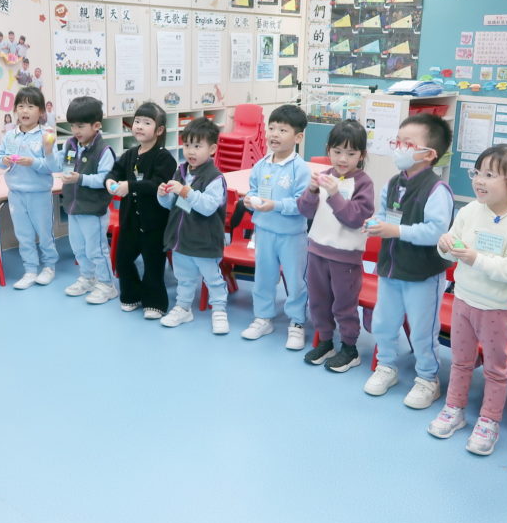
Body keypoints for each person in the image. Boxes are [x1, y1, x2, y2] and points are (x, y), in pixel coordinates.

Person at [431, 144, 507, 456]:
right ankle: (454, 408)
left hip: (496, 308)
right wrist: (445, 244)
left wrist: (476, 258)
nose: (479, 180)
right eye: (477, 172)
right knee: (461, 360)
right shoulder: (469, 211)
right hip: (463, 300)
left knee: (495, 368)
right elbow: (452, 249)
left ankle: (489, 420)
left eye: (490, 175)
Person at [363, 113, 454, 410]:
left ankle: (427, 378)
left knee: (422, 330)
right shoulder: (393, 182)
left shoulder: (437, 190)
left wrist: (396, 231)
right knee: (384, 322)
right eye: (398, 142)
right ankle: (386, 366)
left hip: (422, 274)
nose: (399, 148)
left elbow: (437, 232)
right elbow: (382, 215)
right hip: (391, 268)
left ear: (429, 154)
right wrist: (374, 223)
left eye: (408, 144)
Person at [297, 120, 375, 371]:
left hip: (346, 257)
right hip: (317, 250)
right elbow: (305, 211)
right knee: (318, 301)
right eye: (337, 151)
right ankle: (326, 342)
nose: (342, 158)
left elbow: (354, 218)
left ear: (361, 155)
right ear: (328, 150)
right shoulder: (324, 176)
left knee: (344, 305)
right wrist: (312, 190)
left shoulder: (363, 182)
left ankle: (350, 349)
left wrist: (334, 195)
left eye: (351, 153)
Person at [240, 104, 310, 350]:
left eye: (282, 130)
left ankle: (297, 322)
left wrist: (276, 205)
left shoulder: (300, 169)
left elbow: (302, 204)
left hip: (292, 235)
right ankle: (263, 317)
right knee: (263, 277)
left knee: (295, 280)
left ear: (298, 137)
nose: (274, 134)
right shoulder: (261, 165)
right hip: (264, 231)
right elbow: (253, 189)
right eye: (271, 128)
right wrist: (250, 199)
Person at [105, 102, 177, 319]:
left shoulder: (164, 157)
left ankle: (155, 302)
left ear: (159, 130)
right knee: (123, 260)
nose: (139, 126)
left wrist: (130, 186)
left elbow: (156, 184)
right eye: (137, 121)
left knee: (153, 264)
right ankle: (132, 295)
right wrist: (110, 181)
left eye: (146, 123)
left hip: (154, 223)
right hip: (129, 221)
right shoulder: (130, 154)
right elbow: (115, 171)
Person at [157, 117, 229, 334]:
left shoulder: (215, 178)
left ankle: (219, 310)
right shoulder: (181, 171)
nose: (191, 151)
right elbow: (172, 205)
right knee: (184, 278)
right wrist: (163, 195)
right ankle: (183, 307)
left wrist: (185, 191)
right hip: (181, 240)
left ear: (212, 149)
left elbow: (207, 207)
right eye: (187, 145)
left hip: (205, 241)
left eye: (198, 146)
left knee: (213, 279)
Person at [0, 86, 58, 289]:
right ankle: (30, 270)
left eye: (31, 106)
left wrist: (33, 162)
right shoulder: (9, 136)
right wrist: (3, 160)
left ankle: (49, 267)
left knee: (44, 233)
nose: (25, 111)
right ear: (15, 110)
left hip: (39, 193)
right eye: (21, 106)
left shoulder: (47, 135)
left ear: (41, 112)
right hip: (16, 193)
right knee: (23, 235)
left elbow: (53, 166)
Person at [59, 96, 118, 304]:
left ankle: (107, 285)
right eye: (73, 125)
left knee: (96, 250)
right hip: (73, 207)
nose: (75, 130)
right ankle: (87, 278)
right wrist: (49, 154)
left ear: (96, 126)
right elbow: (64, 166)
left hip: (93, 210)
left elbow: (105, 179)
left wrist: (80, 178)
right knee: (78, 248)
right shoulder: (71, 144)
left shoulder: (104, 150)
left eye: (81, 126)